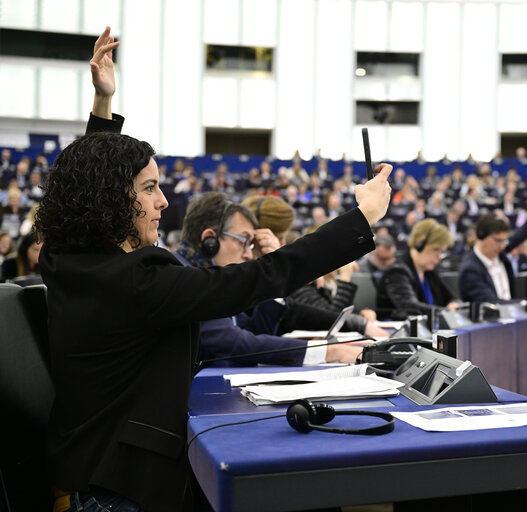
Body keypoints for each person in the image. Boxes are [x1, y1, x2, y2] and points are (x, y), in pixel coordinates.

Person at [37, 27, 392, 511]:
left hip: (87, 476)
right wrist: (362, 219)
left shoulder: (66, 260)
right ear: (113, 200)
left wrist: (103, 110)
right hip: (121, 492)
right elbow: (255, 279)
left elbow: (84, 187)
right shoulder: (139, 282)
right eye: (148, 188)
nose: (164, 200)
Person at [172, 192, 368, 366]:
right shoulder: (186, 277)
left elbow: (253, 330)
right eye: (244, 241)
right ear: (210, 241)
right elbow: (234, 342)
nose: (248, 255)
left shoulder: (207, 276)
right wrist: (329, 351)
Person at [457, 179, 527, 303]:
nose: (503, 246)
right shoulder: (470, 269)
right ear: (482, 236)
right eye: (498, 241)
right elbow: (492, 304)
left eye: (504, 241)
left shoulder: (498, 253)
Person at [377, 219, 458, 319]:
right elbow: (410, 306)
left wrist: (454, 304)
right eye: (437, 250)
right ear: (419, 243)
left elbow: (451, 298)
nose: (439, 257)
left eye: (442, 252)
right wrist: (446, 312)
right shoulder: (397, 272)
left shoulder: (429, 271)